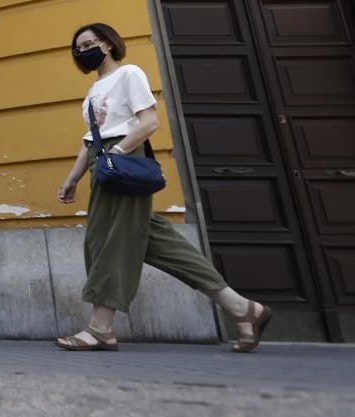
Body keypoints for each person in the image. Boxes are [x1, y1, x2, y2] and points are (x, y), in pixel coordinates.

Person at [55, 23, 272, 352]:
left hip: (121, 161)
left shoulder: (129, 74)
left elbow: (149, 121)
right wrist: (72, 178)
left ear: (108, 43)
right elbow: (90, 142)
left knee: (109, 242)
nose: (83, 51)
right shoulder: (93, 92)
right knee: (159, 243)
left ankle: (101, 329)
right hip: (106, 164)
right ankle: (243, 309)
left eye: (89, 43)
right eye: (78, 49)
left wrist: (117, 153)